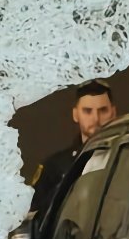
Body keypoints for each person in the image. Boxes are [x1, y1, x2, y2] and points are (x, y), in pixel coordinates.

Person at [29, 79, 117, 217]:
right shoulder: (55, 167)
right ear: (76, 114)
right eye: (87, 111)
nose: (96, 118)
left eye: (103, 110)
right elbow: (35, 216)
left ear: (113, 112)